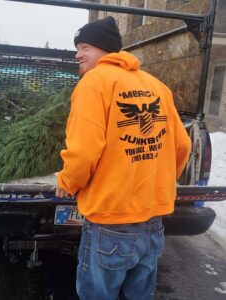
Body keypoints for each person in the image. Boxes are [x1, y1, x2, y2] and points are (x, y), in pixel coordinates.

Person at [56, 16, 191, 300]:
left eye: (85, 47)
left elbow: (82, 152)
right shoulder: (157, 86)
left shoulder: (94, 82)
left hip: (110, 223)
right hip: (153, 223)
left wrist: (68, 182)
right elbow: (182, 146)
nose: (77, 54)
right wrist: (158, 183)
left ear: (106, 49)